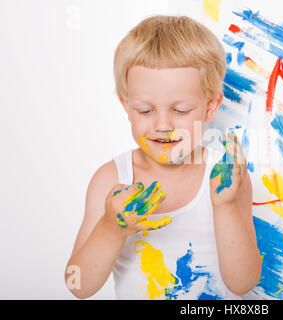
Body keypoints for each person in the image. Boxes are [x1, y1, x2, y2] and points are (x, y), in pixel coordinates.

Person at [64, 15, 261, 300]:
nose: (163, 125)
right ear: (127, 106)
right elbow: (77, 286)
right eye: (145, 110)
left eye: (180, 110)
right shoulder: (112, 179)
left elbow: (242, 283)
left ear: (210, 107)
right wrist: (110, 229)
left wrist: (226, 206)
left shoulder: (224, 178)